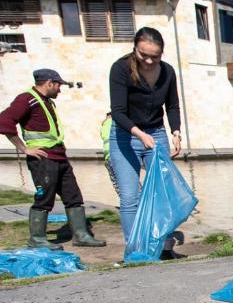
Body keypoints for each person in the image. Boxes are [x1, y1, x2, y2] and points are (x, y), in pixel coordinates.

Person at [0, 69, 106, 250]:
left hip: (59, 157)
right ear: (49, 83)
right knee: (44, 198)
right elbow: (4, 122)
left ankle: (81, 234)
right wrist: (25, 149)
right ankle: (37, 239)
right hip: (43, 160)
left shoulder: (46, 101)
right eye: (58, 85)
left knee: (74, 196)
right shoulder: (27, 99)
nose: (60, 89)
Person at [108, 27, 184, 260]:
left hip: (156, 133)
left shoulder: (167, 72)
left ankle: (164, 246)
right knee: (130, 196)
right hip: (125, 135)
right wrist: (139, 134)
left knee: (162, 193)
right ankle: (135, 250)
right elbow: (118, 112)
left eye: (155, 56)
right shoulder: (120, 69)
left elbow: (172, 105)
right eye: (144, 55)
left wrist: (176, 131)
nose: (149, 61)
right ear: (135, 49)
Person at [99, 112, 120, 196]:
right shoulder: (118, 122)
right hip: (117, 155)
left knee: (116, 182)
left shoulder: (104, 126)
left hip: (107, 157)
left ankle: (125, 204)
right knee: (128, 181)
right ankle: (139, 204)